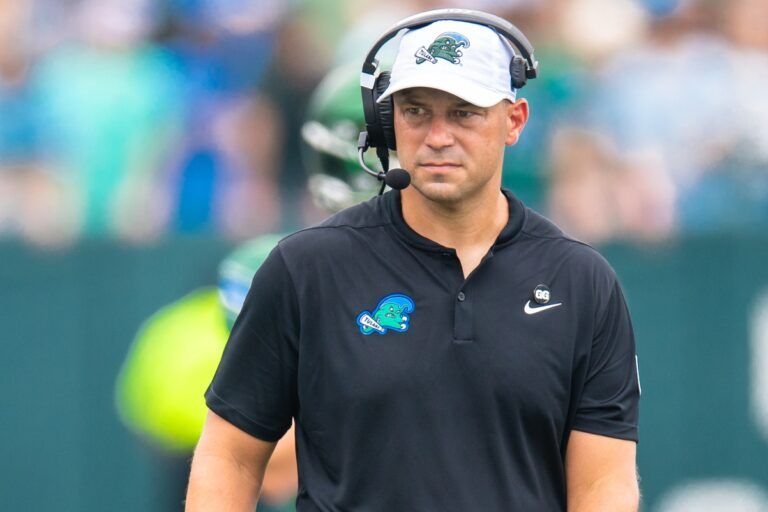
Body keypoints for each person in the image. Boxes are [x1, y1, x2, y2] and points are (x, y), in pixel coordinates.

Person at [187, 9, 641, 511]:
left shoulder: (581, 282)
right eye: (416, 111)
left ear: (514, 121)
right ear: (387, 122)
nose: (438, 136)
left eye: (464, 112)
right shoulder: (306, 269)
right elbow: (230, 456)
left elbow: (603, 484)